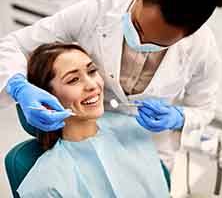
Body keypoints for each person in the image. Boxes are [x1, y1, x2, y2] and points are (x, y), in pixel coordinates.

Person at [0, 0, 222, 170]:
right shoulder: (99, 10)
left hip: (148, 152)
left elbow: (204, 108)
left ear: (186, 36)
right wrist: (18, 86)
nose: (140, 42)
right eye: (138, 29)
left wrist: (181, 117)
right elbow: (12, 45)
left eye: (157, 44)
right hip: (86, 144)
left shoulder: (202, 48)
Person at [16, 42, 170, 198]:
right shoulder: (46, 185)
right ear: (47, 98)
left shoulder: (132, 129)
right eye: (73, 80)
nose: (92, 85)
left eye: (92, 71)